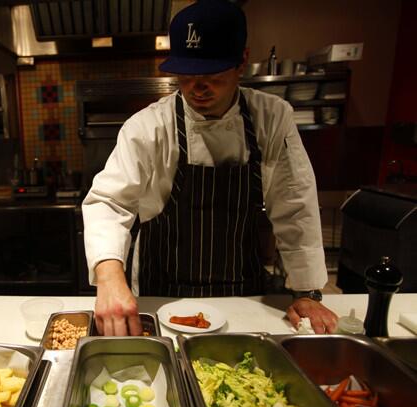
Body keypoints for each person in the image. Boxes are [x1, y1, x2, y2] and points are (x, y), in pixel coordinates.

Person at [82, 0, 338, 336]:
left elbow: (295, 204)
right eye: (186, 75)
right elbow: (109, 201)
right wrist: (110, 276)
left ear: (241, 61)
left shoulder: (272, 118)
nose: (197, 88)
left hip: (243, 295)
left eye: (212, 75)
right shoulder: (148, 127)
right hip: (162, 292)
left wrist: (306, 292)